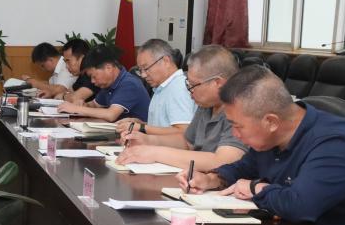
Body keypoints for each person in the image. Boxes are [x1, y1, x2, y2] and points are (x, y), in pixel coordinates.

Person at [179, 66, 345, 225]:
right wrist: (213, 179)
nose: (234, 134)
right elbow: (245, 167)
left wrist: (256, 189)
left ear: (271, 122)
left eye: (238, 126)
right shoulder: (271, 138)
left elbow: (301, 205)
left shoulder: (337, 143)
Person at [117, 45, 246, 171]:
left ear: (218, 83)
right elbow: (187, 143)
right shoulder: (207, 104)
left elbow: (222, 161)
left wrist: (155, 153)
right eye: (188, 84)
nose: (190, 91)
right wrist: (147, 140)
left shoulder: (240, 109)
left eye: (193, 85)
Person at [115, 39, 196, 136]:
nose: (143, 75)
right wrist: (140, 124)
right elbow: (164, 127)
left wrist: (142, 128)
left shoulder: (178, 88)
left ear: (166, 61)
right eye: (140, 70)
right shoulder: (163, 87)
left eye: (146, 68)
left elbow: (183, 132)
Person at [57, 45, 150, 122]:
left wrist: (77, 109)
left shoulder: (129, 84)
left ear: (108, 68)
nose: (92, 81)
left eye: (94, 76)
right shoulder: (108, 84)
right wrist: (82, 104)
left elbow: (111, 115)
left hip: (138, 135)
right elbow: (94, 105)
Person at [58, 38, 99, 103]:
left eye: (68, 61)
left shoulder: (93, 75)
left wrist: (64, 96)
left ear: (82, 58)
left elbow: (75, 98)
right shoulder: (82, 75)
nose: (66, 66)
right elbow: (66, 93)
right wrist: (65, 95)